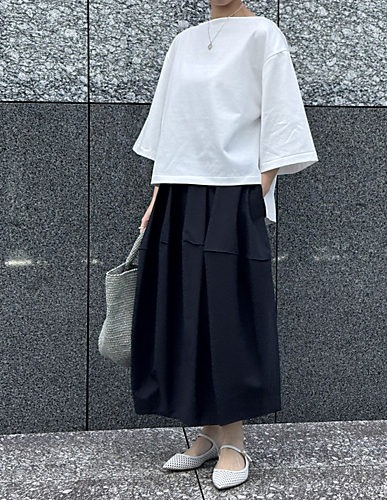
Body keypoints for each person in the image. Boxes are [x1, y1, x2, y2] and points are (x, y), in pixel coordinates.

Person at [130, 0, 318, 490]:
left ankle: (234, 442)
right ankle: (208, 434)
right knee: (184, 311)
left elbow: (281, 118)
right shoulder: (184, 42)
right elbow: (170, 123)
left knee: (226, 314)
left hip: (233, 191)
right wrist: (157, 195)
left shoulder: (263, 36)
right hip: (180, 191)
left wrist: (257, 193)